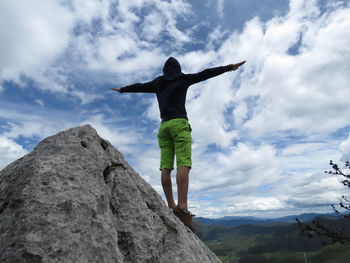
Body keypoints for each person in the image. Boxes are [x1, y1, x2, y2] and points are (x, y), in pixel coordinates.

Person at [112, 57, 245, 232]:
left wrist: (123, 89)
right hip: (179, 124)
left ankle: (171, 205)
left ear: (165, 70)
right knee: (184, 163)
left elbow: (140, 86)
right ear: (178, 69)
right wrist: (229, 67)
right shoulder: (183, 79)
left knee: (165, 167)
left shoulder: (158, 83)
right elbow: (206, 73)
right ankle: (182, 208)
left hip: (163, 127)